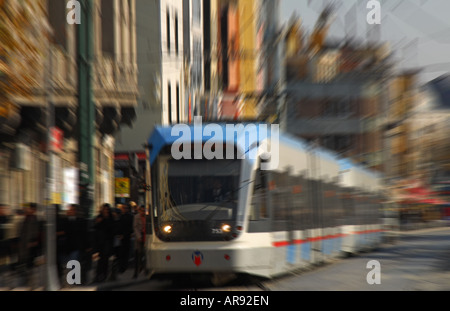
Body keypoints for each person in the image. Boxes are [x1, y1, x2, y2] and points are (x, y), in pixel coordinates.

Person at [17, 203, 41, 287]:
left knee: (30, 261)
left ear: (33, 210)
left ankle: (31, 280)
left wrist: (32, 241)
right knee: (26, 261)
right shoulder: (26, 218)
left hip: (30, 244)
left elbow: (34, 232)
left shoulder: (33, 219)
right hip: (25, 243)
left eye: (29, 209)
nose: (27, 210)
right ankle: (28, 279)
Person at [94, 203, 115, 283]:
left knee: (105, 259)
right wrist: (98, 222)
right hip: (100, 242)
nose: (106, 211)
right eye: (105, 209)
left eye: (107, 209)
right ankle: (98, 275)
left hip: (107, 241)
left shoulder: (110, 218)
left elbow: (112, 229)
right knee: (100, 259)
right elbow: (95, 228)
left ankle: (104, 275)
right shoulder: (99, 217)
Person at [118, 204, 134, 274]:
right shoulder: (121, 217)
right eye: (124, 208)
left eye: (126, 208)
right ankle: (122, 267)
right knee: (122, 253)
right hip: (123, 237)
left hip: (126, 237)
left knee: (125, 253)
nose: (125, 209)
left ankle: (123, 267)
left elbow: (130, 227)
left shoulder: (129, 217)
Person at [133, 205, 146, 279]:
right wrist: (138, 236)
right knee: (138, 254)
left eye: (144, 211)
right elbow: (135, 227)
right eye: (142, 210)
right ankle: (136, 272)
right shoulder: (136, 217)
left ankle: (143, 268)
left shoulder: (146, 217)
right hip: (139, 237)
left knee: (144, 254)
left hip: (145, 237)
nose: (143, 212)